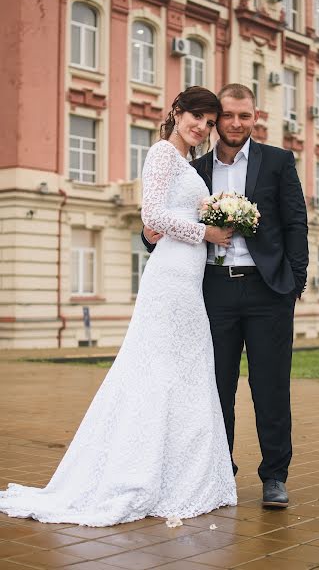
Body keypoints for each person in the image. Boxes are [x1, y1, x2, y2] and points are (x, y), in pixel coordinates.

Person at [0, 86, 237, 526]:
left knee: (184, 369)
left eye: (208, 123)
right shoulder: (163, 155)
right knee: (158, 369)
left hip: (189, 276)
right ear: (177, 112)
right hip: (170, 275)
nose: (202, 128)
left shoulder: (183, 162)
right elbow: (153, 217)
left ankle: (182, 473)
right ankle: (141, 471)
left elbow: (176, 212)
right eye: (197, 118)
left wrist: (222, 213)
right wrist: (206, 232)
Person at [144, 83, 309, 508]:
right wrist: (148, 238)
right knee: (214, 387)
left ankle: (275, 476)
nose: (235, 124)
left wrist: (294, 283)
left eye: (244, 116)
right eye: (227, 117)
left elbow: (296, 223)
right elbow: (163, 218)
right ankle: (222, 471)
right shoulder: (194, 168)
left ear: (256, 118)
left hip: (268, 291)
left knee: (270, 387)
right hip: (212, 290)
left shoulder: (277, 162)